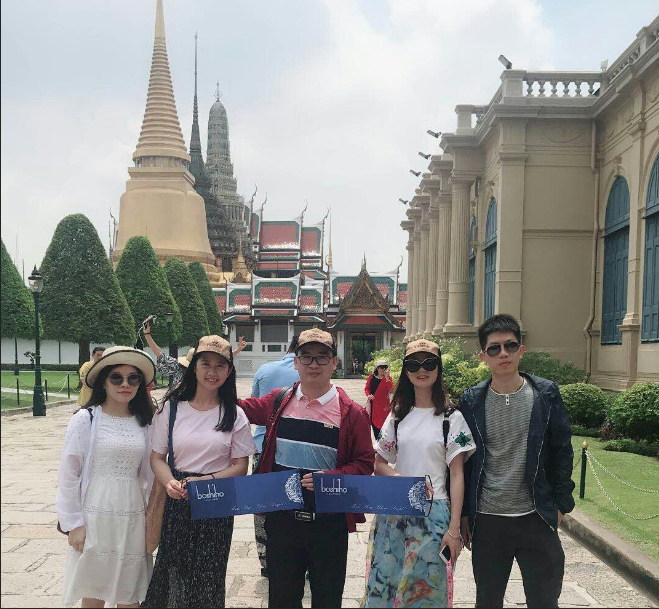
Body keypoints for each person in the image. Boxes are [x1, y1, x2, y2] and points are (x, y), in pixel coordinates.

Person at [239, 329, 375, 609]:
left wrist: (333, 478)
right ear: (296, 362)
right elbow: (237, 408)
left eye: (322, 357)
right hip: (282, 520)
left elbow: (364, 463)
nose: (314, 364)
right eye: (307, 357)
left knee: (327, 598)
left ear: (334, 363)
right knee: (282, 599)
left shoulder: (352, 413)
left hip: (329, 522)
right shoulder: (278, 402)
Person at [459, 314, 575, 608]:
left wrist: (561, 505)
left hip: (535, 515)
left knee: (544, 600)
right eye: (494, 348)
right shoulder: (472, 401)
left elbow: (562, 450)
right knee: (488, 601)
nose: (503, 354)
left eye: (510, 346)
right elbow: (466, 462)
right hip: (489, 519)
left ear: (521, 350)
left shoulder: (545, 394)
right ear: (483, 356)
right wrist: (464, 514)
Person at [143, 335, 257, 608]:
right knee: (173, 571)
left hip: (216, 500)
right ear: (194, 366)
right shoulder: (170, 408)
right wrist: (170, 482)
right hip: (178, 498)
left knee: (209, 574)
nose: (212, 372)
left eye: (220, 365)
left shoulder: (234, 413)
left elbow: (240, 466)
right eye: (205, 363)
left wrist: (205, 481)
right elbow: (157, 458)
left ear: (229, 371)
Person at [363, 339, 476, 608]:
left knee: (426, 594)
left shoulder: (451, 418)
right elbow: (379, 464)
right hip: (394, 513)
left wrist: (454, 529)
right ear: (405, 370)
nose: (421, 369)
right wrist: (403, 481)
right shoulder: (397, 416)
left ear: (438, 369)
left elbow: (457, 475)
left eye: (429, 363)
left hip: (434, 515)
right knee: (386, 588)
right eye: (413, 364)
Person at [56, 346, 156, 608]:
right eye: (117, 378)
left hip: (133, 511)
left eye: (133, 378)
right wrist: (73, 523)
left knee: (130, 591)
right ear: (104, 381)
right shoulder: (85, 419)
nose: (126, 384)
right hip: (96, 510)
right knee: (95, 589)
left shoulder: (145, 421)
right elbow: (69, 474)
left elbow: (151, 471)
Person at [250, 335, 301, 578]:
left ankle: (266, 559)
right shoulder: (313, 371)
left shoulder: (265, 370)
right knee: (299, 505)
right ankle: (302, 558)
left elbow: (254, 405)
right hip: (298, 451)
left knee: (262, 506)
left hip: (262, 447)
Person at [141, 315, 247, 386]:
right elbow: (222, 357)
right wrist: (238, 350)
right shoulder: (186, 371)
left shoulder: (178, 369)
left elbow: (159, 354)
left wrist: (147, 335)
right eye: (206, 363)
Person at [364, 359, 394, 439]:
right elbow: (366, 389)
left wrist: (387, 378)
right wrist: (368, 395)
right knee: (374, 425)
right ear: (377, 368)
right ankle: (378, 444)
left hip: (384, 406)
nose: (384, 369)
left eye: (385, 367)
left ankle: (383, 445)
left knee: (384, 425)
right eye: (382, 367)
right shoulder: (371, 377)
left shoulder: (388, 379)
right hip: (373, 405)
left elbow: (391, 390)